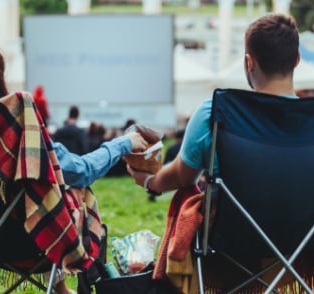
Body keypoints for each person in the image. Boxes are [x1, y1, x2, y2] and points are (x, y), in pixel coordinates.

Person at [0, 37, 148, 294]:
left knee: (40, 188)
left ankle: (63, 291)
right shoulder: (15, 126)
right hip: (30, 240)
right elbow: (80, 170)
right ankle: (80, 289)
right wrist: (124, 143)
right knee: (72, 191)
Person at [127, 13, 303, 197]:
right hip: (307, 226)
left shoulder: (214, 113)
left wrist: (148, 181)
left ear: (250, 62)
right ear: (297, 59)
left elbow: (180, 177)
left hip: (233, 226)